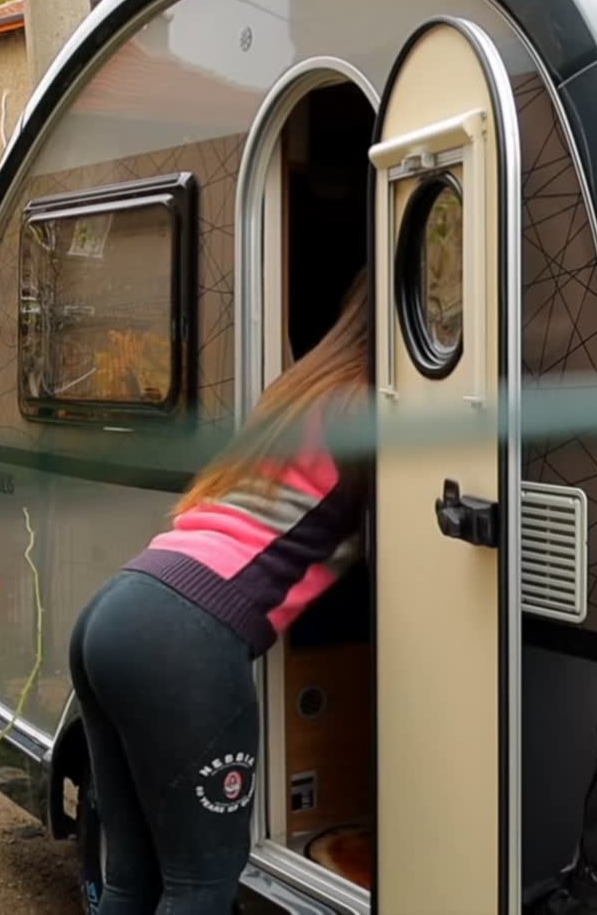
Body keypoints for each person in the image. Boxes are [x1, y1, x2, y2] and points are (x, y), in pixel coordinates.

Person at [69, 272, 371, 914]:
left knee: (132, 878)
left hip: (124, 602)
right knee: (201, 884)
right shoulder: (369, 408)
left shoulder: (303, 390)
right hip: (183, 635)